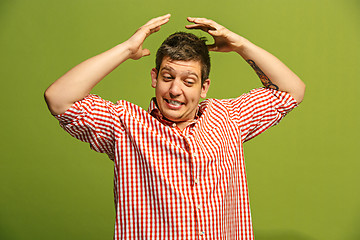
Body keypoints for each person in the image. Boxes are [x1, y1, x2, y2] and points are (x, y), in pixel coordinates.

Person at [44, 14, 305, 240]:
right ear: (155, 78)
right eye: (167, 77)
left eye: (189, 81)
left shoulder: (228, 117)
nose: (175, 90)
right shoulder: (125, 125)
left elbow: (292, 90)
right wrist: (126, 49)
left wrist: (241, 45)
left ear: (204, 88)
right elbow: (58, 97)